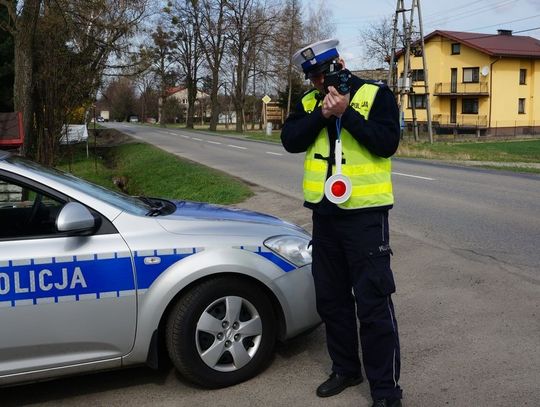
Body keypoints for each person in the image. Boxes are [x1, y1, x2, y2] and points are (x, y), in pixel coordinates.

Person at [281, 39, 403, 407]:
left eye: (325, 73)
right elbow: (290, 140)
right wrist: (322, 114)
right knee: (331, 300)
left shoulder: (375, 95)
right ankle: (346, 369)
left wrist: (347, 113)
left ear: (341, 63)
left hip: (365, 216)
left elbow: (387, 143)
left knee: (373, 303)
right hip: (325, 216)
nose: (320, 82)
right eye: (314, 77)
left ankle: (385, 391)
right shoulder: (308, 102)